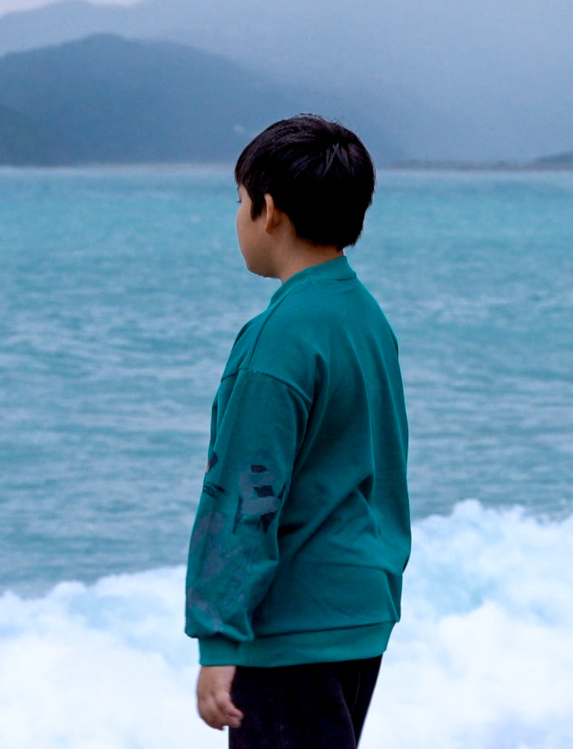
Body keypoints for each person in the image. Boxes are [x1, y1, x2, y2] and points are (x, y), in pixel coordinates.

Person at [184, 115, 410, 749]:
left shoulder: (278, 338)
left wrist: (219, 635)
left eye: (239, 202)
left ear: (270, 211)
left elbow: (245, 493)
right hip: (360, 609)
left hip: (290, 627)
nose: (237, 219)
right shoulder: (364, 317)